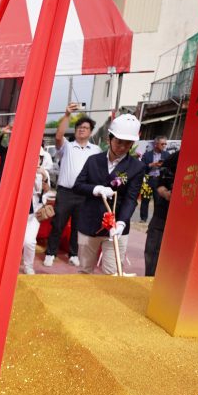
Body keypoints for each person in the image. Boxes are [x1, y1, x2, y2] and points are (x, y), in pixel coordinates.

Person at [72, 114, 146, 275]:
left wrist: (121, 223)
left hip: (116, 228)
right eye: (119, 141)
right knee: (84, 270)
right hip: (90, 223)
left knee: (112, 273)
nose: (122, 147)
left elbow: (131, 199)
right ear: (109, 139)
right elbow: (78, 186)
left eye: (128, 143)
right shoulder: (93, 160)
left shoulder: (136, 167)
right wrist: (96, 189)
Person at [46, 103, 100, 267]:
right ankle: (50, 252)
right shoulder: (67, 147)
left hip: (84, 194)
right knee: (58, 223)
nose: (82, 129)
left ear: (90, 132)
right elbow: (58, 136)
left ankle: (74, 253)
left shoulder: (96, 150)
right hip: (66, 192)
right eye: (79, 127)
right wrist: (67, 114)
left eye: (85, 127)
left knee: (78, 225)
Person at [144, 150, 180, 276]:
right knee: (153, 252)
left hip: (189, 223)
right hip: (163, 216)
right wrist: (167, 194)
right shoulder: (174, 158)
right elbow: (160, 185)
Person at [21, 154, 52, 275]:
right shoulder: (21, 170)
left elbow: (46, 190)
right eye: (35, 156)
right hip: (20, 211)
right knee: (17, 241)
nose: (37, 159)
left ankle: (28, 266)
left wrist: (42, 175)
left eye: (39, 157)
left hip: (35, 212)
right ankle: (12, 265)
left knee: (29, 241)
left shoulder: (44, 172)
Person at [139, 136, 171, 223]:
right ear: (156, 144)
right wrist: (152, 164)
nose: (164, 145)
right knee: (145, 200)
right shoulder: (147, 155)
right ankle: (143, 218)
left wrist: (163, 166)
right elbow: (141, 167)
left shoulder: (167, 155)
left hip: (159, 180)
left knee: (158, 201)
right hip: (148, 180)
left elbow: (170, 168)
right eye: (162, 144)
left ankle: (155, 220)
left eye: (165, 144)